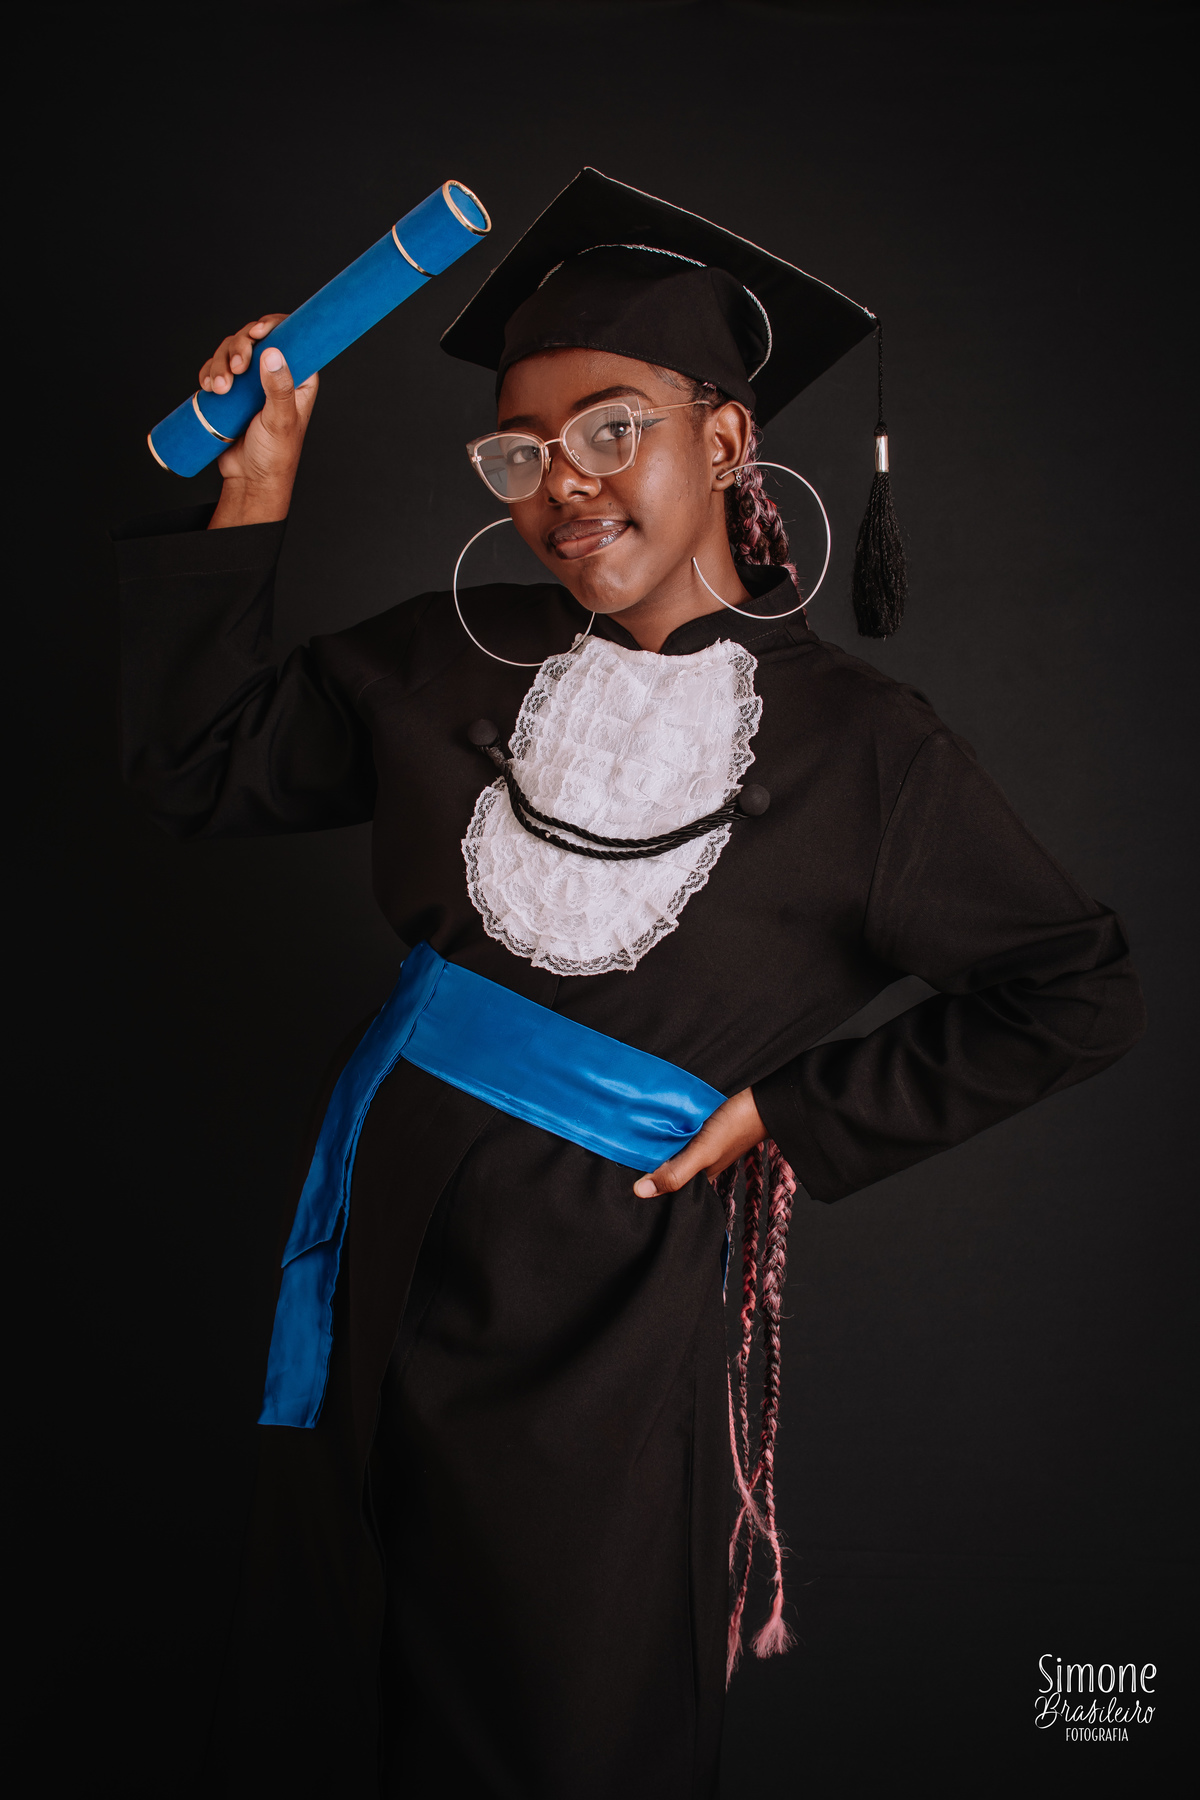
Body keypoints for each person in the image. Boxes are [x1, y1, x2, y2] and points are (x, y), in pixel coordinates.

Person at [114, 170, 1145, 1799]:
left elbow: (1076, 988)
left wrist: (792, 1111)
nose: (564, 485)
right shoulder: (445, 654)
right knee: (336, 1685)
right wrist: (257, 483)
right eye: (520, 453)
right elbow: (195, 765)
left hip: (603, 1305)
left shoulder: (868, 754)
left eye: (611, 430)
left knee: (560, 1725)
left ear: (724, 440)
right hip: (376, 1250)